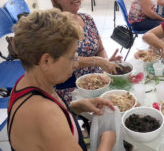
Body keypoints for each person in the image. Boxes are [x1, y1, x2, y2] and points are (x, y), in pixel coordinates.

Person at [8, 9, 116, 151]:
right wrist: (107, 140)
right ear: (46, 61)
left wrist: (77, 107)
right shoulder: (45, 115)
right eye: (72, 57)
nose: (76, 64)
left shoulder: (28, 81)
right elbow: (50, 120)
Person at [50, 0, 121, 102]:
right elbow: (65, 61)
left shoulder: (87, 19)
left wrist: (106, 62)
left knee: (122, 97)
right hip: (72, 87)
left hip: (97, 80)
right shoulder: (56, 26)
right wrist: (98, 61)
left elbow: (100, 48)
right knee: (110, 107)